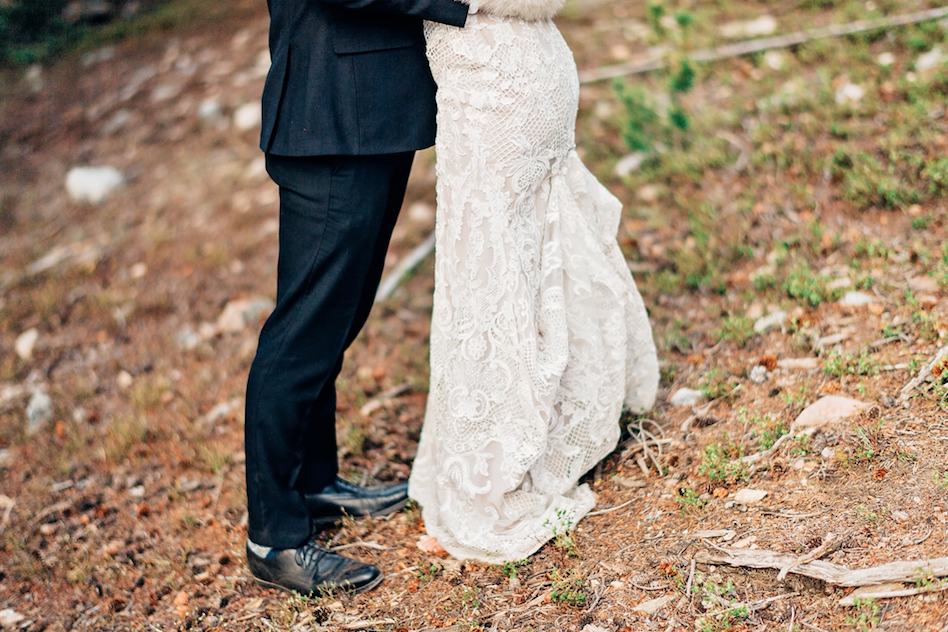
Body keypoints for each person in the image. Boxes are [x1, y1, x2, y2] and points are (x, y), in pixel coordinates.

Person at [407, 0, 660, 561]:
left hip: (497, 85)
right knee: (517, 261)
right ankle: (557, 417)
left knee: (490, 274)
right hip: (525, 68)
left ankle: (495, 464)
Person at [243, 0, 470, 594]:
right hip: (331, 116)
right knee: (303, 333)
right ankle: (275, 538)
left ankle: (315, 480)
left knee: (335, 319)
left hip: (369, 111)